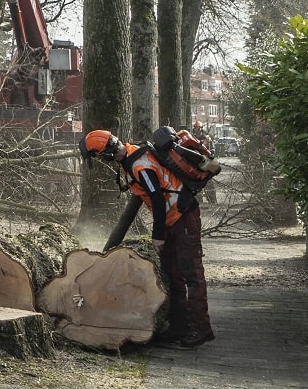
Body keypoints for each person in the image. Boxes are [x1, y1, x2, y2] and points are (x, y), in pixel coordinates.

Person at [81, 129, 214, 348]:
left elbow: (157, 198)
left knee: (191, 273)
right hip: (171, 219)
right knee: (172, 273)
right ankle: (179, 325)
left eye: (98, 156)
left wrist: (157, 236)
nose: (99, 160)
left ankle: (201, 327)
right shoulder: (130, 157)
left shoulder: (139, 165)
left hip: (183, 215)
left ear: (106, 153)